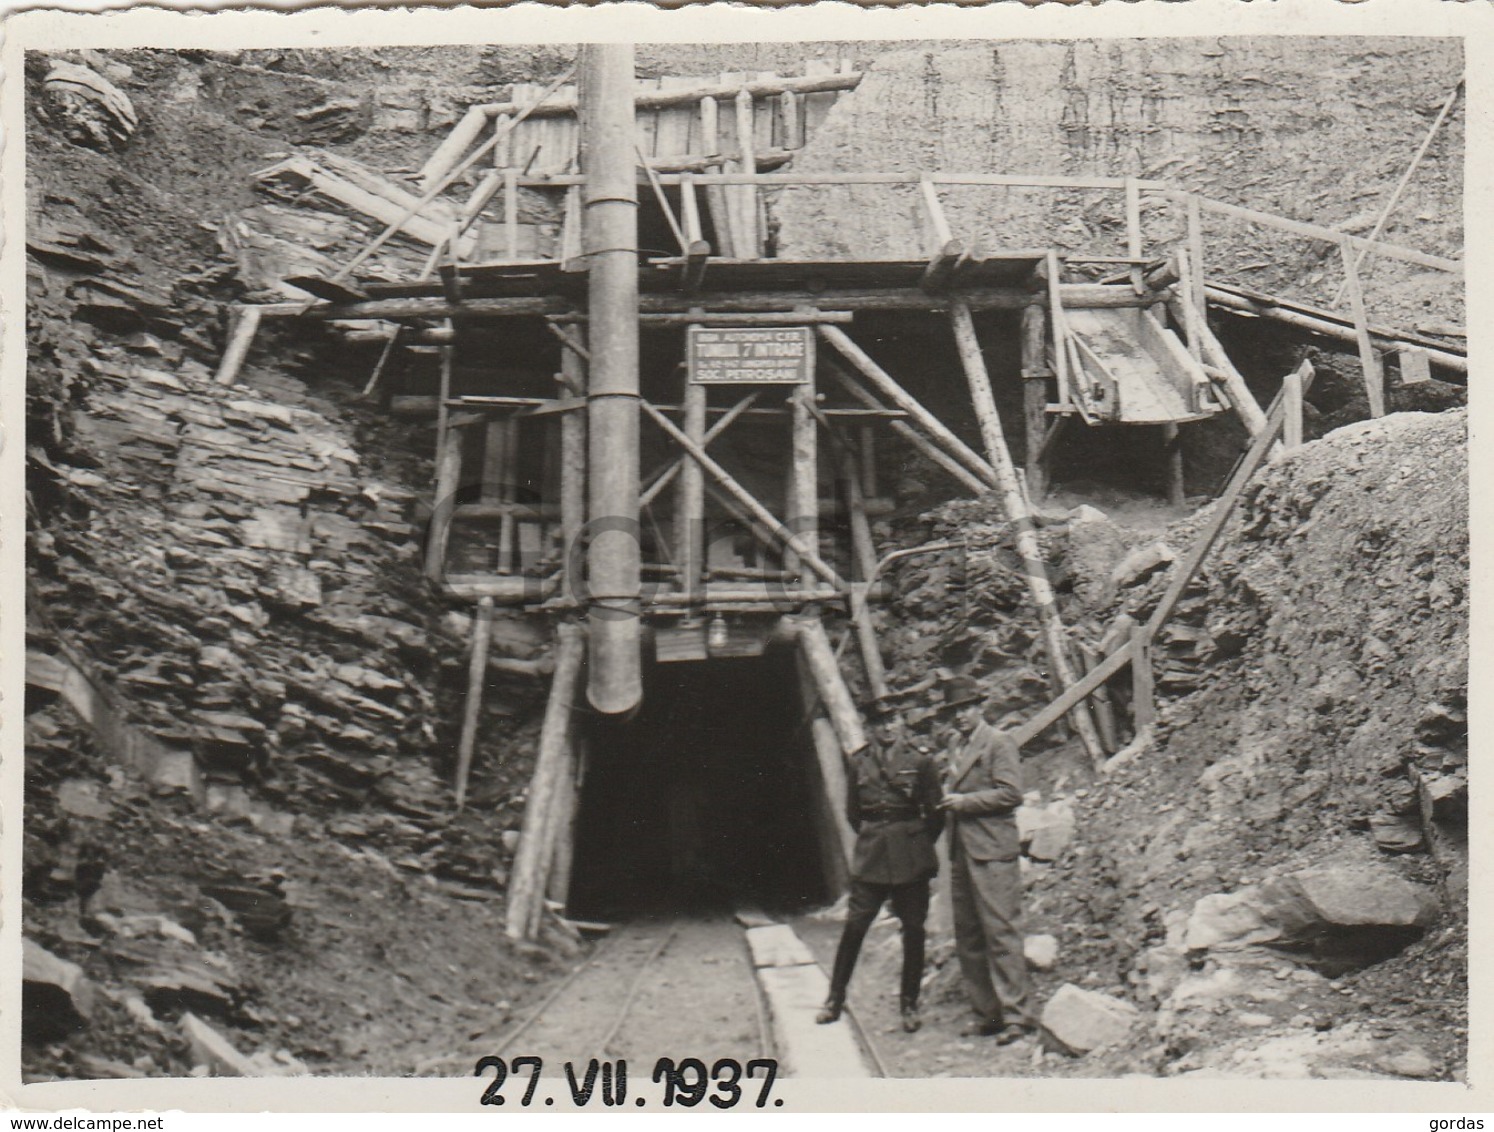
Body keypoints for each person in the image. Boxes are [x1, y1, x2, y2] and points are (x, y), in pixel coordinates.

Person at [816, 707, 942, 1033]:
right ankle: (834, 998)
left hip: (911, 857)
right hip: (872, 858)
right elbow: (853, 813)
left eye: (892, 720)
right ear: (869, 727)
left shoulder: (921, 761)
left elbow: (935, 813)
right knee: (855, 926)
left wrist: (914, 841)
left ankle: (909, 1003)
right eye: (878, 722)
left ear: (901, 723)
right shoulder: (859, 762)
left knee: (913, 930)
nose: (886, 727)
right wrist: (878, 837)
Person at [939, 706, 1036, 1044]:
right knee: (969, 935)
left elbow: (1011, 794)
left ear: (980, 708)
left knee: (1001, 930)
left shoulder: (998, 742)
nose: (960, 716)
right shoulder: (955, 743)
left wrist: (964, 802)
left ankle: (1018, 1017)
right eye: (954, 711)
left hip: (993, 850)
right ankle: (987, 1014)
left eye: (965, 709)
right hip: (962, 851)